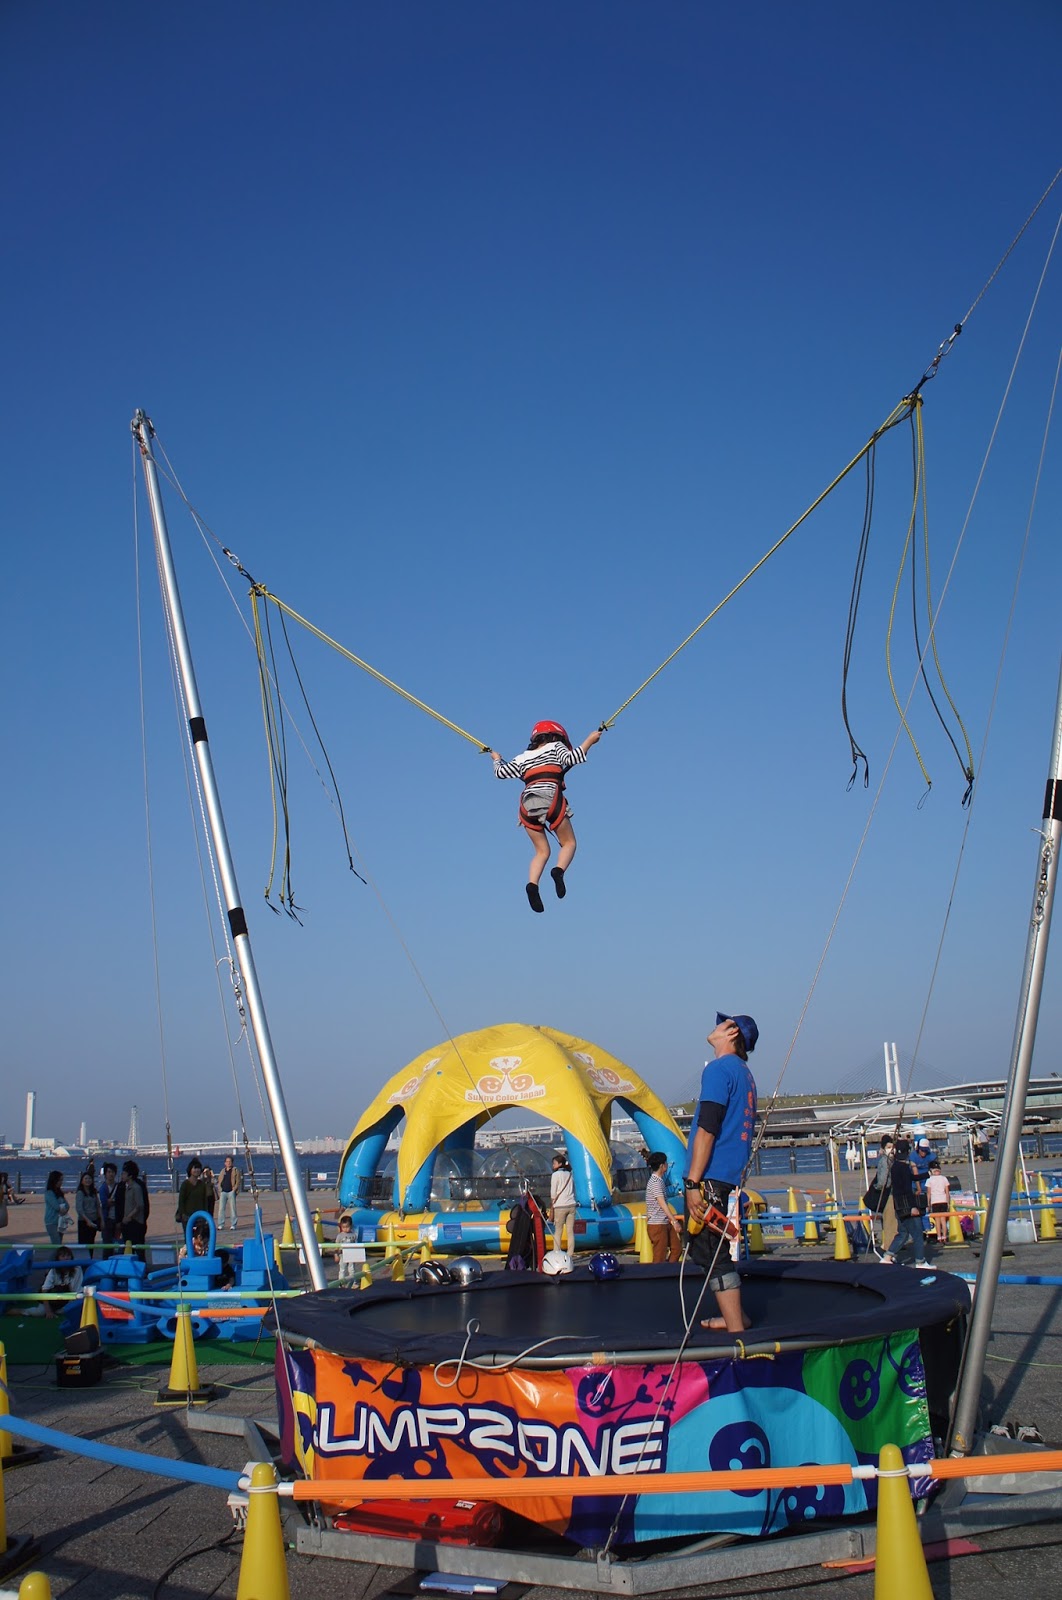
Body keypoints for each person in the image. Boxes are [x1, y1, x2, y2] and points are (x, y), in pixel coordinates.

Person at [684, 1012, 758, 1333]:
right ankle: (735, 1317)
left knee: (710, 1251)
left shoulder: (718, 1069)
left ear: (731, 1033)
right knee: (710, 1247)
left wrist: (692, 1183)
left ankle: (737, 1330)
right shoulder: (744, 1073)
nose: (714, 1026)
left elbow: (707, 1127)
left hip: (709, 1175)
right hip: (725, 1174)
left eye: (722, 1023)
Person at [490, 721, 602, 912]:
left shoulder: (522, 757)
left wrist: (496, 759)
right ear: (557, 737)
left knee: (541, 852)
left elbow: (501, 773)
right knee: (569, 843)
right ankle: (558, 871)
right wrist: (590, 741)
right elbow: (572, 758)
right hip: (551, 798)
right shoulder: (555, 747)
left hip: (527, 805)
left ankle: (532, 885)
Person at [881, 1140, 931, 1267]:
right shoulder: (903, 1167)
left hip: (898, 1205)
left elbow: (911, 1178)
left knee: (903, 1233)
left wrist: (927, 1174)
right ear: (907, 1152)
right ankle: (920, 1261)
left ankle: (887, 1257)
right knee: (917, 1234)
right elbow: (907, 1189)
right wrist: (913, 1206)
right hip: (908, 1206)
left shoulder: (895, 1166)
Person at [22, 1246, 83, 1318]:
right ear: (58, 1258)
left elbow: (77, 1291)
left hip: (69, 1299)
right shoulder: (53, 1270)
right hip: (53, 1299)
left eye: (68, 1255)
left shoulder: (77, 1269)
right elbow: (44, 1290)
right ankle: (21, 1311)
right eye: (63, 1256)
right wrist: (48, 1311)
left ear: (71, 1257)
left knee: (74, 1309)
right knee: (40, 1312)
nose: (66, 1258)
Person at [645, 1151, 682, 1263]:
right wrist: (674, 1221)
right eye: (666, 1163)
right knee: (659, 1256)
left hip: (664, 1222)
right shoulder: (655, 1182)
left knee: (677, 1249)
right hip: (657, 1224)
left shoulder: (659, 1181)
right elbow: (662, 1203)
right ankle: (659, 1272)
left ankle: (669, 1269)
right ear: (662, 1165)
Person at [117, 1159, 149, 1249]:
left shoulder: (137, 1187)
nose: (122, 1175)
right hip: (126, 1223)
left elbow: (140, 1205)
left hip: (136, 1222)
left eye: (124, 1173)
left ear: (130, 1175)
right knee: (127, 1247)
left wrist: (129, 1216)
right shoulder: (123, 1186)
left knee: (138, 1247)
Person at [549, 1153, 576, 1254]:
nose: (553, 1165)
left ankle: (557, 1252)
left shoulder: (555, 1175)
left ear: (560, 1164)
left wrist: (552, 1202)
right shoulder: (570, 1174)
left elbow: (553, 1192)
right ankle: (570, 1253)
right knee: (570, 1231)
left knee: (558, 1231)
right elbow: (573, 1189)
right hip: (571, 1204)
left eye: (554, 1163)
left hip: (560, 1206)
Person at [175, 1158, 212, 1225]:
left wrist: (206, 1214)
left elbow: (205, 1201)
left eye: (198, 1168)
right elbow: (181, 1201)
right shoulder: (185, 1184)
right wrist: (182, 1214)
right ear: (190, 1170)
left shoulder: (202, 1184)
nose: (197, 1170)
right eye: (195, 1168)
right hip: (187, 1217)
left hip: (200, 1216)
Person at [925, 1161, 951, 1244]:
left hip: (935, 1201)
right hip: (943, 1200)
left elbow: (928, 1193)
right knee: (943, 1220)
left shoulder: (929, 1180)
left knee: (937, 1221)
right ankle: (944, 1236)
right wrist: (948, 1202)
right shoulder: (944, 1178)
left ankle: (939, 1236)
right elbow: (947, 1192)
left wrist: (928, 1204)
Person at [74, 1169, 101, 1247]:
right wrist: (87, 1220)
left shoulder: (93, 1192)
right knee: (83, 1244)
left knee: (91, 1242)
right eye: (86, 1178)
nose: (88, 1180)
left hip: (94, 1220)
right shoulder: (80, 1193)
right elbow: (79, 1209)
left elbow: (98, 1205)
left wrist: (101, 1219)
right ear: (82, 1181)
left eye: (89, 1178)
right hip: (84, 1221)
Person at [44, 1170, 71, 1247]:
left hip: (61, 1221)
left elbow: (67, 1205)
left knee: (59, 1242)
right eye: (59, 1180)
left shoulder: (60, 1193)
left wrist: (64, 1210)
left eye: (62, 1180)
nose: (61, 1182)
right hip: (52, 1221)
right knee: (56, 1244)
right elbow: (56, 1206)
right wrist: (62, 1209)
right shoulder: (49, 1193)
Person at [217, 1155, 243, 1231]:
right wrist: (220, 1188)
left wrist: (234, 1189)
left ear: (232, 1162)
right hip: (223, 1192)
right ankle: (221, 1224)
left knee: (233, 1209)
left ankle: (233, 1224)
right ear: (225, 1163)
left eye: (230, 1161)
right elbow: (219, 1180)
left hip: (231, 1192)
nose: (228, 1163)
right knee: (221, 1209)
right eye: (227, 1161)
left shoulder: (235, 1170)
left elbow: (238, 1180)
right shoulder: (223, 1171)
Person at [98, 1162, 119, 1248]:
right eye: (109, 1172)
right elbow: (103, 1203)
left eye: (112, 1172)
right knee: (107, 1245)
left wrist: (110, 1201)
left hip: (117, 1219)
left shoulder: (118, 1186)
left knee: (116, 1244)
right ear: (105, 1174)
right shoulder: (103, 1188)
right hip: (107, 1219)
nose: (111, 1174)